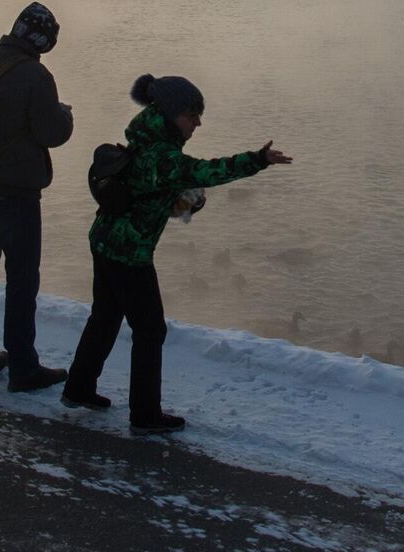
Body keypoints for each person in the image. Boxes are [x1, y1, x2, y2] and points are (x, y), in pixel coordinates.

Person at [63, 73, 292, 433]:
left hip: (106, 240)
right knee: (151, 330)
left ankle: (78, 388)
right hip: (129, 251)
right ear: (171, 114)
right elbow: (207, 171)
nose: (198, 123)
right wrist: (258, 159)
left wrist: (179, 202)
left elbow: (150, 192)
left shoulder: (145, 138)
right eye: (192, 115)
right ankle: (145, 415)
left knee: (105, 317)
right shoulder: (162, 155)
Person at [0, 2, 74, 391]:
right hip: (17, 194)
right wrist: (65, 115)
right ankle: (24, 367)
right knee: (22, 281)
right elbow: (51, 133)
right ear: (41, 41)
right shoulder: (36, 76)